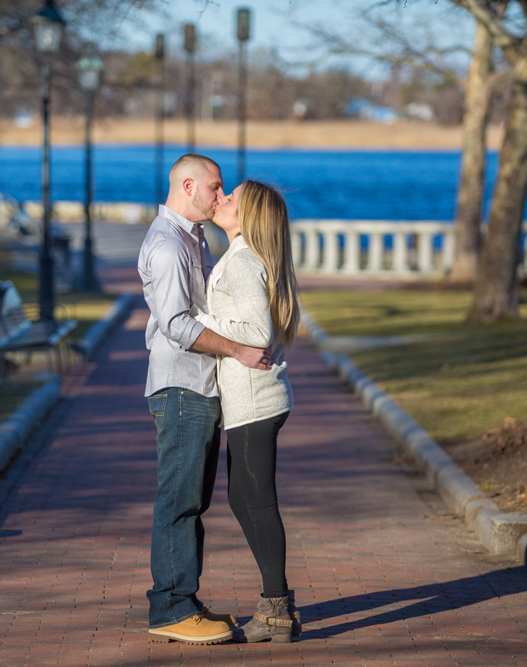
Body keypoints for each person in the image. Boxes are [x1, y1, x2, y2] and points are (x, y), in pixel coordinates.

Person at [139, 154, 273, 645]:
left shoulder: (190, 237)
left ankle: (183, 600)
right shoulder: (167, 244)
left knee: (192, 500)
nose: (220, 197)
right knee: (179, 500)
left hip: (198, 387)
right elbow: (176, 325)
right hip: (182, 388)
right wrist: (239, 348)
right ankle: (171, 607)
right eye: (214, 188)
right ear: (188, 184)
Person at [192, 180, 302, 643]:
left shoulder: (241, 261)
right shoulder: (242, 257)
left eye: (230, 198)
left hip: (257, 401)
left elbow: (256, 332)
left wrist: (197, 319)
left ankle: (277, 607)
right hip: (248, 402)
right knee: (242, 499)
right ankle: (278, 605)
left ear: (248, 215)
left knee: (257, 501)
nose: (220, 200)